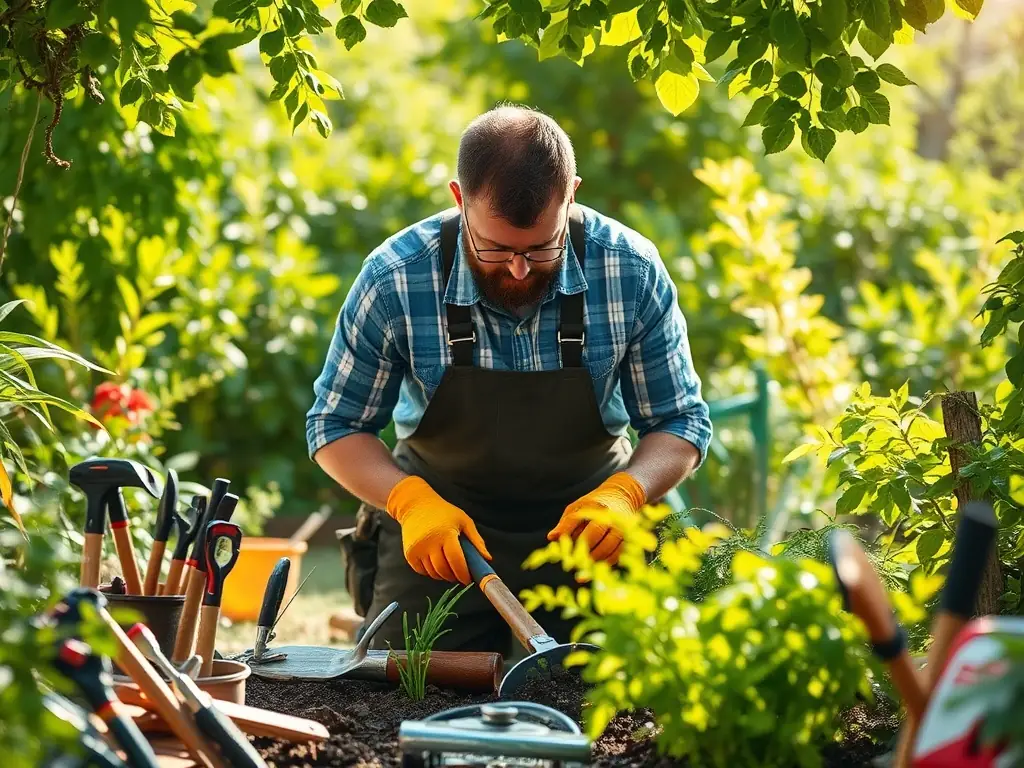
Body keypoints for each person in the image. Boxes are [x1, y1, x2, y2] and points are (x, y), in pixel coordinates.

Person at [306, 104, 712, 660]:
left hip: (590, 534)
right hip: (445, 535)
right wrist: (407, 501)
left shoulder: (629, 270)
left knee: (630, 686)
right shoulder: (396, 276)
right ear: (458, 199)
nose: (519, 269)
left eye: (542, 247)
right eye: (494, 249)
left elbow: (680, 420)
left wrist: (627, 491)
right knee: (404, 681)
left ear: (571, 195)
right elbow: (334, 425)